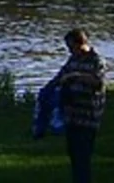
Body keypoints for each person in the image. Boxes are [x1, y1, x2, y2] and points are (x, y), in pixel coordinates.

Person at [44, 28, 107, 183]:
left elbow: (98, 83)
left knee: (83, 154)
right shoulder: (72, 60)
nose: (70, 51)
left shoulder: (97, 61)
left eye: (71, 47)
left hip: (88, 117)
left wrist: (77, 77)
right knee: (73, 153)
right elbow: (60, 76)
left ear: (82, 44)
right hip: (72, 116)